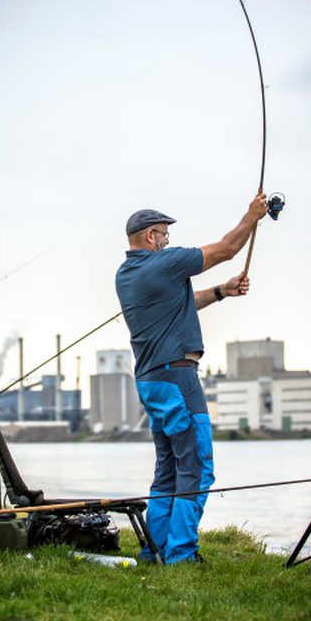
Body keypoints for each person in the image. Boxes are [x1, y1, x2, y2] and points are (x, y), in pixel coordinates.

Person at [115, 193, 268, 564]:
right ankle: (181, 555)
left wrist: (220, 292)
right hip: (177, 377)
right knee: (197, 467)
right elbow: (226, 249)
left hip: (152, 379)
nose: (168, 240)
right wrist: (252, 216)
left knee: (169, 468)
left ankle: (156, 550)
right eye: (164, 234)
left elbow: (182, 302)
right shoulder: (163, 263)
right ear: (151, 236)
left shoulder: (128, 273)